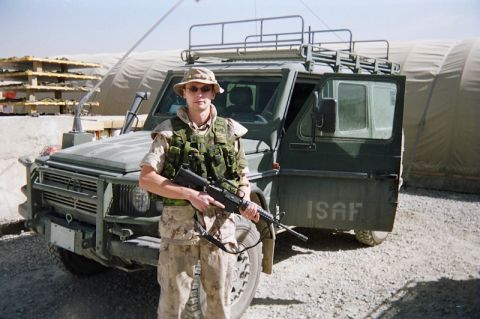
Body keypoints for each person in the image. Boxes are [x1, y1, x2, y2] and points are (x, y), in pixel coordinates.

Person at [139, 67, 260, 319]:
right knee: (174, 305)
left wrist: (245, 199)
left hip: (220, 229)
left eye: (205, 88)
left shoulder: (230, 131)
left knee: (219, 304)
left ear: (214, 93)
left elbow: (242, 178)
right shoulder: (168, 132)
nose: (199, 94)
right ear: (184, 92)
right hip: (179, 230)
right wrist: (189, 194)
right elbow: (147, 178)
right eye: (193, 88)